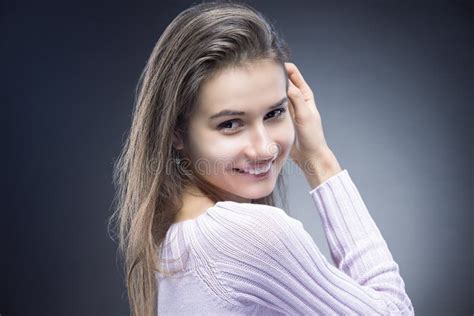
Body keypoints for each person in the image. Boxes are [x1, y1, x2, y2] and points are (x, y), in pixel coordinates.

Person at [109, 1, 415, 315]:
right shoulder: (248, 237)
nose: (264, 147)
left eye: (274, 113)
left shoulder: (174, 237)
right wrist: (320, 160)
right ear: (176, 132)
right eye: (230, 124)